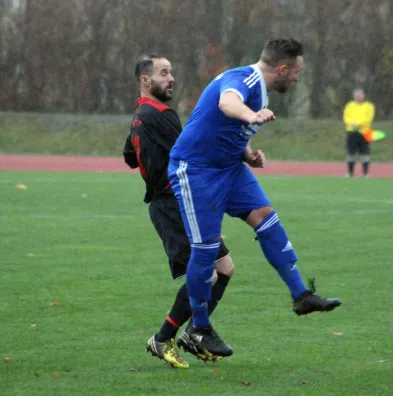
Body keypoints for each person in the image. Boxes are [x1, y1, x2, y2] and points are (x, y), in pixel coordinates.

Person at [167, 38, 342, 358]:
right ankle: (200, 330)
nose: (298, 77)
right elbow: (227, 104)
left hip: (230, 168)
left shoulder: (260, 87)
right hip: (196, 171)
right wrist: (252, 115)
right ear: (283, 68)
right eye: (297, 71)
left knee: (268, 220)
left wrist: (247, 155)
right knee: (206, 252)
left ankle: (301, 295)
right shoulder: (243, 79)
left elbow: (223, 126)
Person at [123, 54, 235, 369]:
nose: (171, 78)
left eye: (171, 72)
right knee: (209, 275)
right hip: (173, 207)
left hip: (180, 203)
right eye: (163, 73)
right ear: (146, 80)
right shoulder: (159, 115)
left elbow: (129, 156)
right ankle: (162, 338)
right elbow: (194, 153)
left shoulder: (141, 115)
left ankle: (193, 335)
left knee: (225, 268)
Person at [343, 88, 375, 178]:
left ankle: (365, 173)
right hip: (351, 131)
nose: (358, 97)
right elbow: (346, 117)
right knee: (351, 153)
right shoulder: (349, 106)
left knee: (365, 152)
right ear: (354, 96)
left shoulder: (369, 106)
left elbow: (369, 118)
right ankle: (350, 173)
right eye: (356, 95)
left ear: (364, 96)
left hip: (365, 131)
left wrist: (358, 124)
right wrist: (351, 123)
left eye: (360, 95)